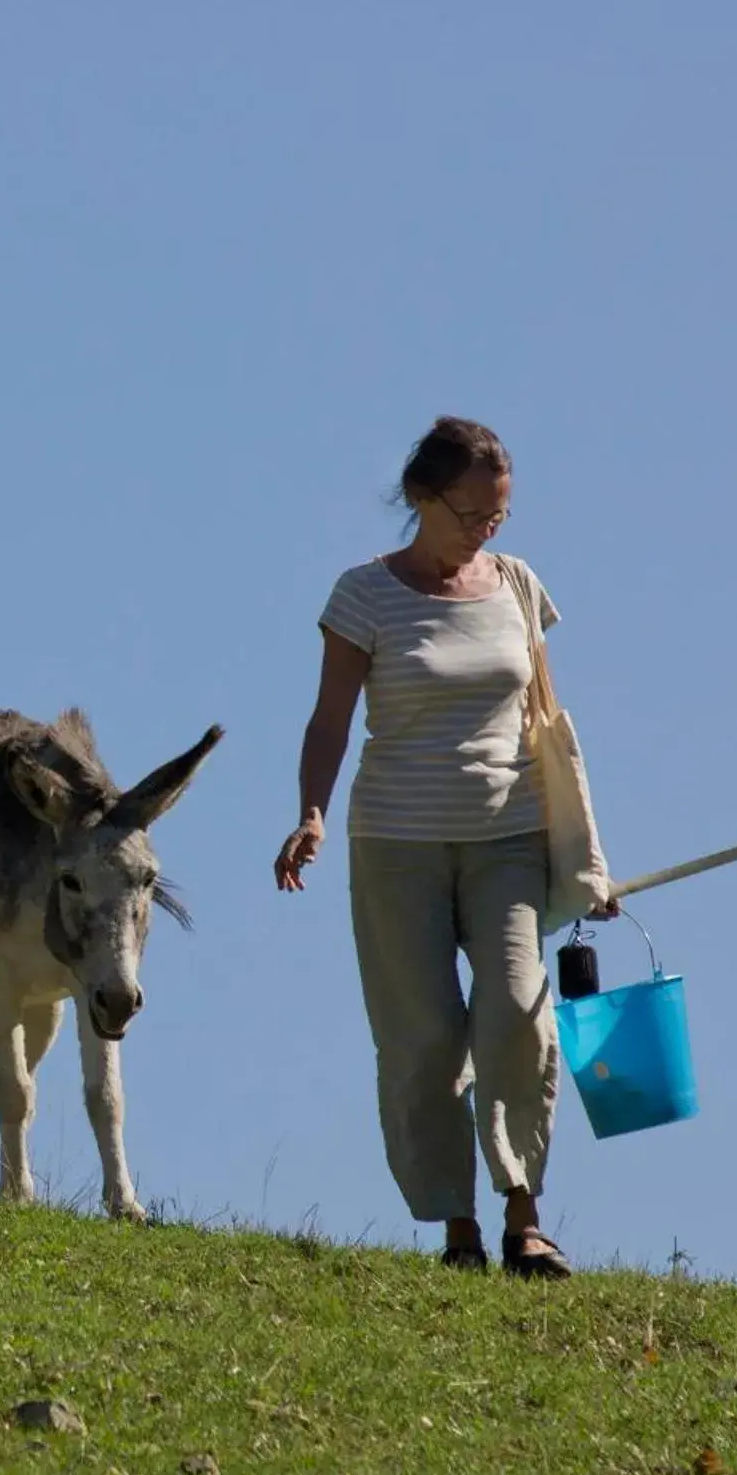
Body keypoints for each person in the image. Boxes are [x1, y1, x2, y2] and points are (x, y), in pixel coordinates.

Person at [274, 417, 611, 1278]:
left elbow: (553, 729)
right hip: (397, 843)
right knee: (423, 1037)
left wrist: (587, 858)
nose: (485, 530)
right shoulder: (363, 595)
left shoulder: (519, 586)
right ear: (423, 497)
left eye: (497, 514)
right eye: (471, 513)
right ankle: (457, 1226)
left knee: (515, 1014)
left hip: (507, 837)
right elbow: (328, 722)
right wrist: (311, 813)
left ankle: (523, 1217)